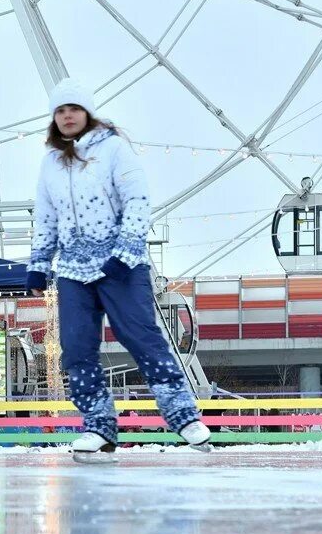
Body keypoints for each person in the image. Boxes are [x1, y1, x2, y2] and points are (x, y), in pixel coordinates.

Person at [25, 78, 210, 462]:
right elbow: (45, 217)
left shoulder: (113, 150)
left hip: (119, 265)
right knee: (76, 349)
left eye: (74, 109)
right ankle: (98, 426)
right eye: (60, 110)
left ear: (87, 113)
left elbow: (137, 199)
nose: (67, 116)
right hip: (74, 270)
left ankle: (183, 415)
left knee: (141, 337)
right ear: (53, 118)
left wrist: (125, 250)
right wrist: (39, 263)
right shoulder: (51, 163)